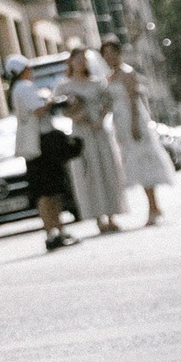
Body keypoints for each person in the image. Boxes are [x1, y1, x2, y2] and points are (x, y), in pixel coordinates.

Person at [6, 55, 76, 250]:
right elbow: (39, 110)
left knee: (47, 190)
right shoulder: (24, 87)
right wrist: (54, 102)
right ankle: (54, 230)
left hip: (35, 143)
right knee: (49, 190)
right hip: (41, 142)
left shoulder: (16, 89)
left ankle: (55, 229)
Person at [102, 35, 172, 224]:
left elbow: (133, 99)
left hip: (133, 118)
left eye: (112, 53)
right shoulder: (109, 77)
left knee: (144, 161)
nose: (109, 57)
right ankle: (154, 207)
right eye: (105, 54)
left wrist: (134, 123)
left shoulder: (127, 72)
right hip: (120, 122)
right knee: (134, 164)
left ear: (119, 53)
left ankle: (153, 207)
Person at [63, 44, 125, 233]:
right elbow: (61, 109)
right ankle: (98, 217)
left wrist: (102, 118)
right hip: (82, 133)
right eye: (78, 59)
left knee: (107, 169)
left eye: (85, 59)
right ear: (71, 61)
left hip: (98, 131)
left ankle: (112, 214)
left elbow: (108, 101)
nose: (82, 63)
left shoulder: (97, 82)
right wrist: (75, 116)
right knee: (90, 173)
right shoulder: (65, 85)